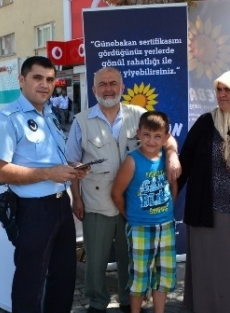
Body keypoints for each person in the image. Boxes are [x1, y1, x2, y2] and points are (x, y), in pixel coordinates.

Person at [65, 66, 180, 313]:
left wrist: (172, 156)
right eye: (103, 84)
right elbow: (71, 161)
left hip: (133, 205)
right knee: (95, 259)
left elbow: (165, 137)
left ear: (122, 87)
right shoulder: (81, 121)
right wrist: (76, 197)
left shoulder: (138, 114)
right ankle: (97, 303)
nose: (108, 88)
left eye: (113, 83)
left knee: (130, 258)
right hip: (97, 201)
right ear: (94, 89)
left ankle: (130, 303)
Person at [0, 56, 89, 313]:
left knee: (63, 277)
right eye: (37, 78)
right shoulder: (8, 118)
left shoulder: (50, 116)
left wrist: (70, 170)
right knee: (30, 282)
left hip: (60, 206)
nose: (44, 85)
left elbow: (54, 160)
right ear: (22, 80)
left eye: (49, 79)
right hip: (33, 211)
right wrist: (48, 173)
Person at [178, 70, 230, 313]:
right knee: (205, 267)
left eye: (227, 90)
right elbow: (185, 163)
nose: (221, 95)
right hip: (205, 210)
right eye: (218, 90)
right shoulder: (206, 122)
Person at [111, 111, 178, 313]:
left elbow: (173, 185)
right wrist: (130, 216)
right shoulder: (132, 161)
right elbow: (116, 194)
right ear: (138, 133)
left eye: (157, 136)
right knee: (140, 277)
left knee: (164, 275)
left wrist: (167, 210)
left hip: (165, 225)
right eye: (147, 134)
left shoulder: (167, 158)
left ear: (166, 137)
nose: (151, 140)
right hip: (140, 227)